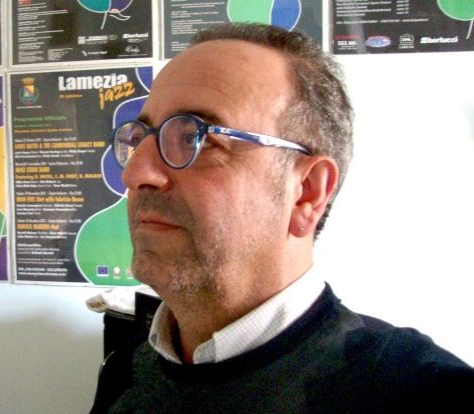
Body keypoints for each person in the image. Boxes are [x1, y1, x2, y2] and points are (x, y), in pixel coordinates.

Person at [90, 23, 474, 413]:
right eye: (139, 139)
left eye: (195, 138)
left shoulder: (427, 394)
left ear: (306, 192)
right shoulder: (125, 370)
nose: (135, 174)